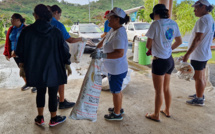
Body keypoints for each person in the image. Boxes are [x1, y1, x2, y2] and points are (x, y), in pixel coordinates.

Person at [15, 4, 71, 127]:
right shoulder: (56, 32)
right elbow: (64, 50)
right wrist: (67, 63)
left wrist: (22, 66)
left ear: (35, 15)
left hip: (35, 68)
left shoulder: (27, 31)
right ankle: (54, 118)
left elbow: (20, 51)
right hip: (54, 68)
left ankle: (40, 117)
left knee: (40, 91)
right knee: (52, 92)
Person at [91, 7, 130, 121]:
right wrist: (97, 48)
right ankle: (118, 108)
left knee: (115, 91)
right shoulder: (114, 29)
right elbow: (105, 39)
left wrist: (101, 55)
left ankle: (117, 114)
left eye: (110, 18)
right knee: (117, 90)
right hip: (114, 68)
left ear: (117, 19)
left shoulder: (119, 34)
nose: (108, 20)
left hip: (117, 69)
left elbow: (119, 53)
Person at [145, 4, 182, 122]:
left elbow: (147, 45)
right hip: (169, 60)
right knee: (166, 88)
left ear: (156, 14)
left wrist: (154, 47)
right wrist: (169, 48)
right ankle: (167, 110)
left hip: (159, 61)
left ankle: (156, 114)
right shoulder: (173, 23)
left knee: (158, 91)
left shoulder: (155, 24)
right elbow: (179, 41)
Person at [48, 5, 85, 109]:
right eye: (59, 14)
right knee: (60, 79)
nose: (59, 16)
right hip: (57, 57)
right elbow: (70, 40)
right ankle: (62, 101)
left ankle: (54, 97)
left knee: (49, 79)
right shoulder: (57, 24)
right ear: (56, 12)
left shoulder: (43, 23)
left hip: (45, 57)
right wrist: (82, 39)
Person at [183, 0, 215, 106]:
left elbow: (197, 39)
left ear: (203, 7)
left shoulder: (202, 20)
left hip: (198, 54)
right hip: (204, 53)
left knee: (198, 77)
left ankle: (199, 99)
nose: (194, 10)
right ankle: (200, 94)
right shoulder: (210, 18)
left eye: (196, 8)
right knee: (201, 76)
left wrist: (187, 54)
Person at [3, 13, 37, 93]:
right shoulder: (11, 29)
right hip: (14, 54)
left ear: (18, 20)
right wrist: (7, 53)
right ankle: (28, 83)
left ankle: (35, 84)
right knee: (22, 70)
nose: (11, 20)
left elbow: (30, 43)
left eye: (12, 19)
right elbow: (8, 41)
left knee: (30, 69)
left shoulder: (26, 29)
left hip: (25, 54)